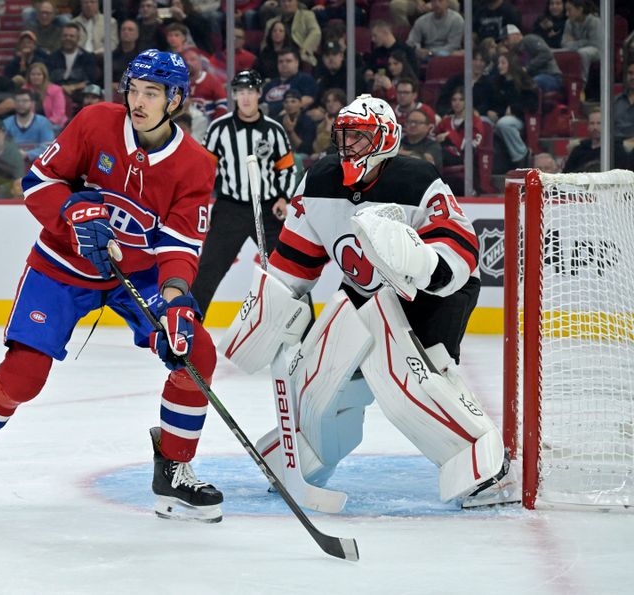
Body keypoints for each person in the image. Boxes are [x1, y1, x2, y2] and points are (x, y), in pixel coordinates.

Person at [0, 49, 224, 523]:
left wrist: (175, 304)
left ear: (175, 99)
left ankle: (174, 468)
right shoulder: (95, 122)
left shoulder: (195, 165)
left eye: (151, 93)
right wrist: (72, 211)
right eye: (133, 89)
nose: (138, 101)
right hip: (61, 264)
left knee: (195, 351)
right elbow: (37, 181)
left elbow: (180, 246)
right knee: (24, 376)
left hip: (135, 275)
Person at [222, 93, 518, 509]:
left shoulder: (415, 180)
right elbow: (295, 261)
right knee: (317, 371)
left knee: (405, 380)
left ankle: (487, 470)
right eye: (342, 137)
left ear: (385, 140)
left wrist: (418, 259)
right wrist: (271, 308)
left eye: (358, 139)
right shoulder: (320, 180)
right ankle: (301, 460)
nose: (347, 148)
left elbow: (462, 251)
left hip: (429, 294)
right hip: (366, 290)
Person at [190, 70, 295, 317]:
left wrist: (283, 197)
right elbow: (205, 171)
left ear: (259, 94)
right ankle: (189, 327)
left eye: (250, 92)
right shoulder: (219, 129)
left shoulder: (274, 130)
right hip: (230, 209)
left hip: (269, 209)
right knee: (208, 270)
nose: (246, 98)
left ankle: (306, 333)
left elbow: (287, 169)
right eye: (240, 92)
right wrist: (199, 201)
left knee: (289, 270)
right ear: (234, 95)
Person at [489, 53, 539, 170]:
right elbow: (495, 103)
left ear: (511, 64)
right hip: (501, 117)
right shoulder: (498, 83)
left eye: (503, 63)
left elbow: (531, 105)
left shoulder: (523, 82)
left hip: (520, 119)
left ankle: (521, 155)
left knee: (504, 124)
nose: (499, 66)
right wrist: (491, 112)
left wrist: (514, 109)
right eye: (499, 63)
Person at [499, 24, 562, 93]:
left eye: (507, 39)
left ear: (516, 35)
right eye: (503, 41)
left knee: (531, 83)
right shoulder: (514, 52)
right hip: (533, 78)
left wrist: (527, 68)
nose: (505, 43)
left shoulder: (529, 39)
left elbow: (546, 54)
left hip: (551, 76)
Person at [564, 107, 630, 172]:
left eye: (599, 123)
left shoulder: (617, 150)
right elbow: (565, 175)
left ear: (607, 125)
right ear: (588, 126)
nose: (595, 127)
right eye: (592, 123)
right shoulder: (579, 150)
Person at [260, 47, 317, 118]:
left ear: (297, 63)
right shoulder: (270, 84)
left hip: (289, 117)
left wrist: (288, 110)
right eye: (280, 61)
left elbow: (308, 99)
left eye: (288, 61)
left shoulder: (305, 79)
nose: (284, 64)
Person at [263, 0, 321, 68]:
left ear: (296, 2)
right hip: (275, 56)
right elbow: (265, 43)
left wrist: (304, 49)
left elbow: (316, 32)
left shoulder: (307, 16)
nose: (286, 4)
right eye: (284, 2)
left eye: (290, 1)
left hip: (300, 54)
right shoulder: (271, 23)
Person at [561, 0, 601, 83]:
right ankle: (562, 82)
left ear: (580, 9)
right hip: (576, 48)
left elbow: (594, 43)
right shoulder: (568, 22)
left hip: (597, 51)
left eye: (569, 10)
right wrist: (583, 41)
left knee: (582, 53)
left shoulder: (595, 21)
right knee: (557, 52)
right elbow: (564, 43)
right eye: (566, 11)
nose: (567, 14)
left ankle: (581, 84)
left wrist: (575, 42)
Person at [25, 62, 68, 130]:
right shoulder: (25, 90)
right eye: (33, 74)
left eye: (39, 74)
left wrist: (41, 125)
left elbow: (58, 115)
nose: (35, 77)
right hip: (31, 125)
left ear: (44, 76)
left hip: (54, 124)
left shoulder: (56, 90)